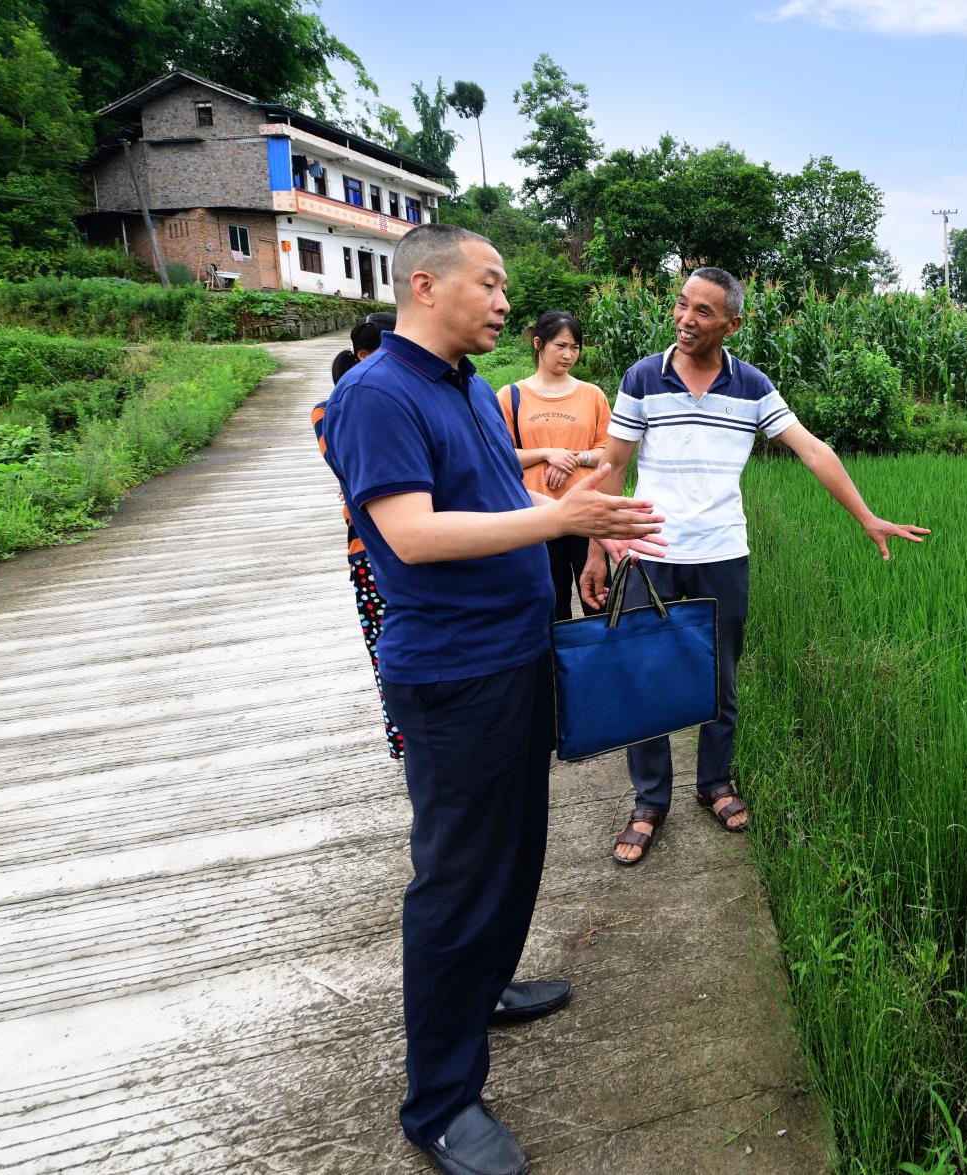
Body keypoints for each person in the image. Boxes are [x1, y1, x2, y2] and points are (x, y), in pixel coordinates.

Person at [317, 222, 667, 1175]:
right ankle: (437, 1101)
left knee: (518, 848)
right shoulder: (374, 394)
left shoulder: (462, 385)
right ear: (425, 286)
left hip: (514, 656)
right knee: (458, 878)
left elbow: (470, 480)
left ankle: (488, 985)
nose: (506, 303)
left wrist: (537, 472)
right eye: (492, 283)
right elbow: (413, 534)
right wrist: (558, 516)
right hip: (454, 676)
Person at [583, 267, 928, 867]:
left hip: (721, 552)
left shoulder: (752, 387)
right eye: (682, 305)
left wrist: (866, 517)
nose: (686, 319)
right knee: (641, 680)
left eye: (704, 312)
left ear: (732, 324)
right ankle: (648, 801)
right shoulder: (642, 376)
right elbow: (613, 466)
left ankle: (714, 784)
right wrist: (594, 544)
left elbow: (813, 449)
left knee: (719, 678)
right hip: (647, 551)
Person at [315, 311, 403, 758]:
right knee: (387, 649)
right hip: (369, 550)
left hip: (410, 550)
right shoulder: (333, 410)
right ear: (367, 356)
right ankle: (405, 741)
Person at [497, 310, 610, 617]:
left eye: (575, 347)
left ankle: (598, 665)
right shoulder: (511, 396)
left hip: (586, 512)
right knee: (549, 607)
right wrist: (547, 453)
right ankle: (553, 666)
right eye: (561, 346)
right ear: (538, 344)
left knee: (598, 601)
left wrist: (573, 459)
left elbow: (609, 452)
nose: (568, 354)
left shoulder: (593, 395)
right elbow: (498, 457)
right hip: (535, 517)